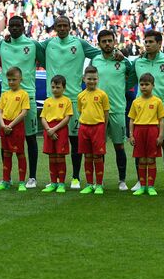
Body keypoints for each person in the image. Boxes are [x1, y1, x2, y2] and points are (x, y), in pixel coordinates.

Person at [39, 16, 116, 189]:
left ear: (70, 27)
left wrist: (116, 54)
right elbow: (32, 48)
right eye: (59, 25)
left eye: (65, 25)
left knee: (75, 141)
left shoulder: (79, 43)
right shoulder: (48, 44)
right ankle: (55, 181)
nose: (62, 28)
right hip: (54, 98)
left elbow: (99, 53)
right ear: (55, 27)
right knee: (56, 142)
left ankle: (76, 177)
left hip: (75, 97)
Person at [0, 16, 44, 189]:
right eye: (12, 26)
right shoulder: (2, 45)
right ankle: (6, 178)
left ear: (24, 27)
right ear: (8, 27)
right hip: (7, 96)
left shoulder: (32, 45)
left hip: (27, 96)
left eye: (18, 26)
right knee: (5, 139)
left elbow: (46, 61)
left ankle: (32, 177)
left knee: (30, 138)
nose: (15, 28)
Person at [128, 30, 164, 192]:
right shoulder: (138, 62)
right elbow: (130, 81)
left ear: (159, 43)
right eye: (145, 42)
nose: (147, 45)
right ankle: (140, 182)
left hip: (162, 108)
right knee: (139, 147)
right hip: (141, 110)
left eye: (150, 42)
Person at [90, 29, 133, 191]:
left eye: (110, 40)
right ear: (99, 43)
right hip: (98, 112)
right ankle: (98, 181)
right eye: (104, 41)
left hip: (117, 109)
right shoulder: (95, 60)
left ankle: (122, 180)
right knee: (98, 148)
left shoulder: (123, 61)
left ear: (115, 42)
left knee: (119, 146)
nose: (107, 44)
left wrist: (122, 89)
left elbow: (134, 76)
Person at [0, 67, 30, 191]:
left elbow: (24, 112)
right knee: (6, 153)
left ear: (20, 79)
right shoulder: (5, 94)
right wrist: (3, 125)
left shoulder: (23, 94)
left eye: (14, 79)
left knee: (20, 154)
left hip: (16, 126)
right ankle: (6, 180)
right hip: (5, 126)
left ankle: (21, 182)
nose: (12, 82)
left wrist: (11, 125)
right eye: (9, 80)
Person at [128, 73, 164, 196]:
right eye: (142, 84)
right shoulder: (136, 102)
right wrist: (131, 135)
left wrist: (160, 135)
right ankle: (142, 186)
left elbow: (161, 120)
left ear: (153, 85)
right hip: (139, 131)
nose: (144, 87)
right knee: (142, 159)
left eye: (147, 84)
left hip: (151, 131)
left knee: (151, 159)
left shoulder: (157, 101)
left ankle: (151, 186)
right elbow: (132, 119)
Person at [78, 66, 110, 195]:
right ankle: (89, 184)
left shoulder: (102, 94)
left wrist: (104, 129)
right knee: (87, 156)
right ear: (84, 79)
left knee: (98, 156)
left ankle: (99, 184)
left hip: (98, 127)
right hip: (84, 127)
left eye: (94, 79)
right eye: (89, 79)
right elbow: (81, 111)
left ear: (98, 79)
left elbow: (106, 113)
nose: (92, 81)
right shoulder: (80, 96)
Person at [40, 75, 73, 193]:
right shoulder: (47, 101)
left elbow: (67, 118)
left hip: (60, 130)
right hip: (48, 130)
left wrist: (54, 129)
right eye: (53, 87)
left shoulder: (67, 101)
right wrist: (49, 129)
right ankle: (53, 182)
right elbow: (43, 117)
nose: (55, 89)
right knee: (52, 157)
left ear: (64, 88)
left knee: (60, 157)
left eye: (58, 87)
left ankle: (61, 183)